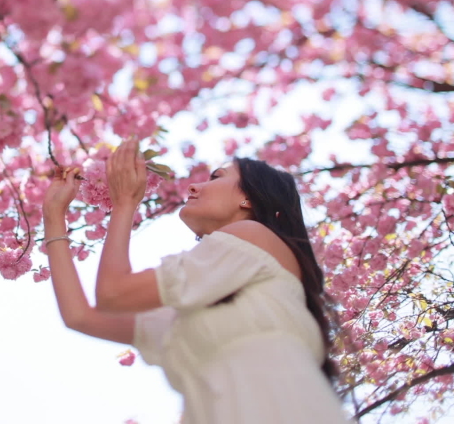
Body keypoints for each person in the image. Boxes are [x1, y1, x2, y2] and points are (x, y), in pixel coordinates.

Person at [41, 137, 351, 424]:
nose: (193, 187)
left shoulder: (254, 236)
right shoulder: (195, 312)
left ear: (248, 197)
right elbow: (80, 316)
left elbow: (113, 294)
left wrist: (124, 204)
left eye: (216, 177)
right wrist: (54, 217)